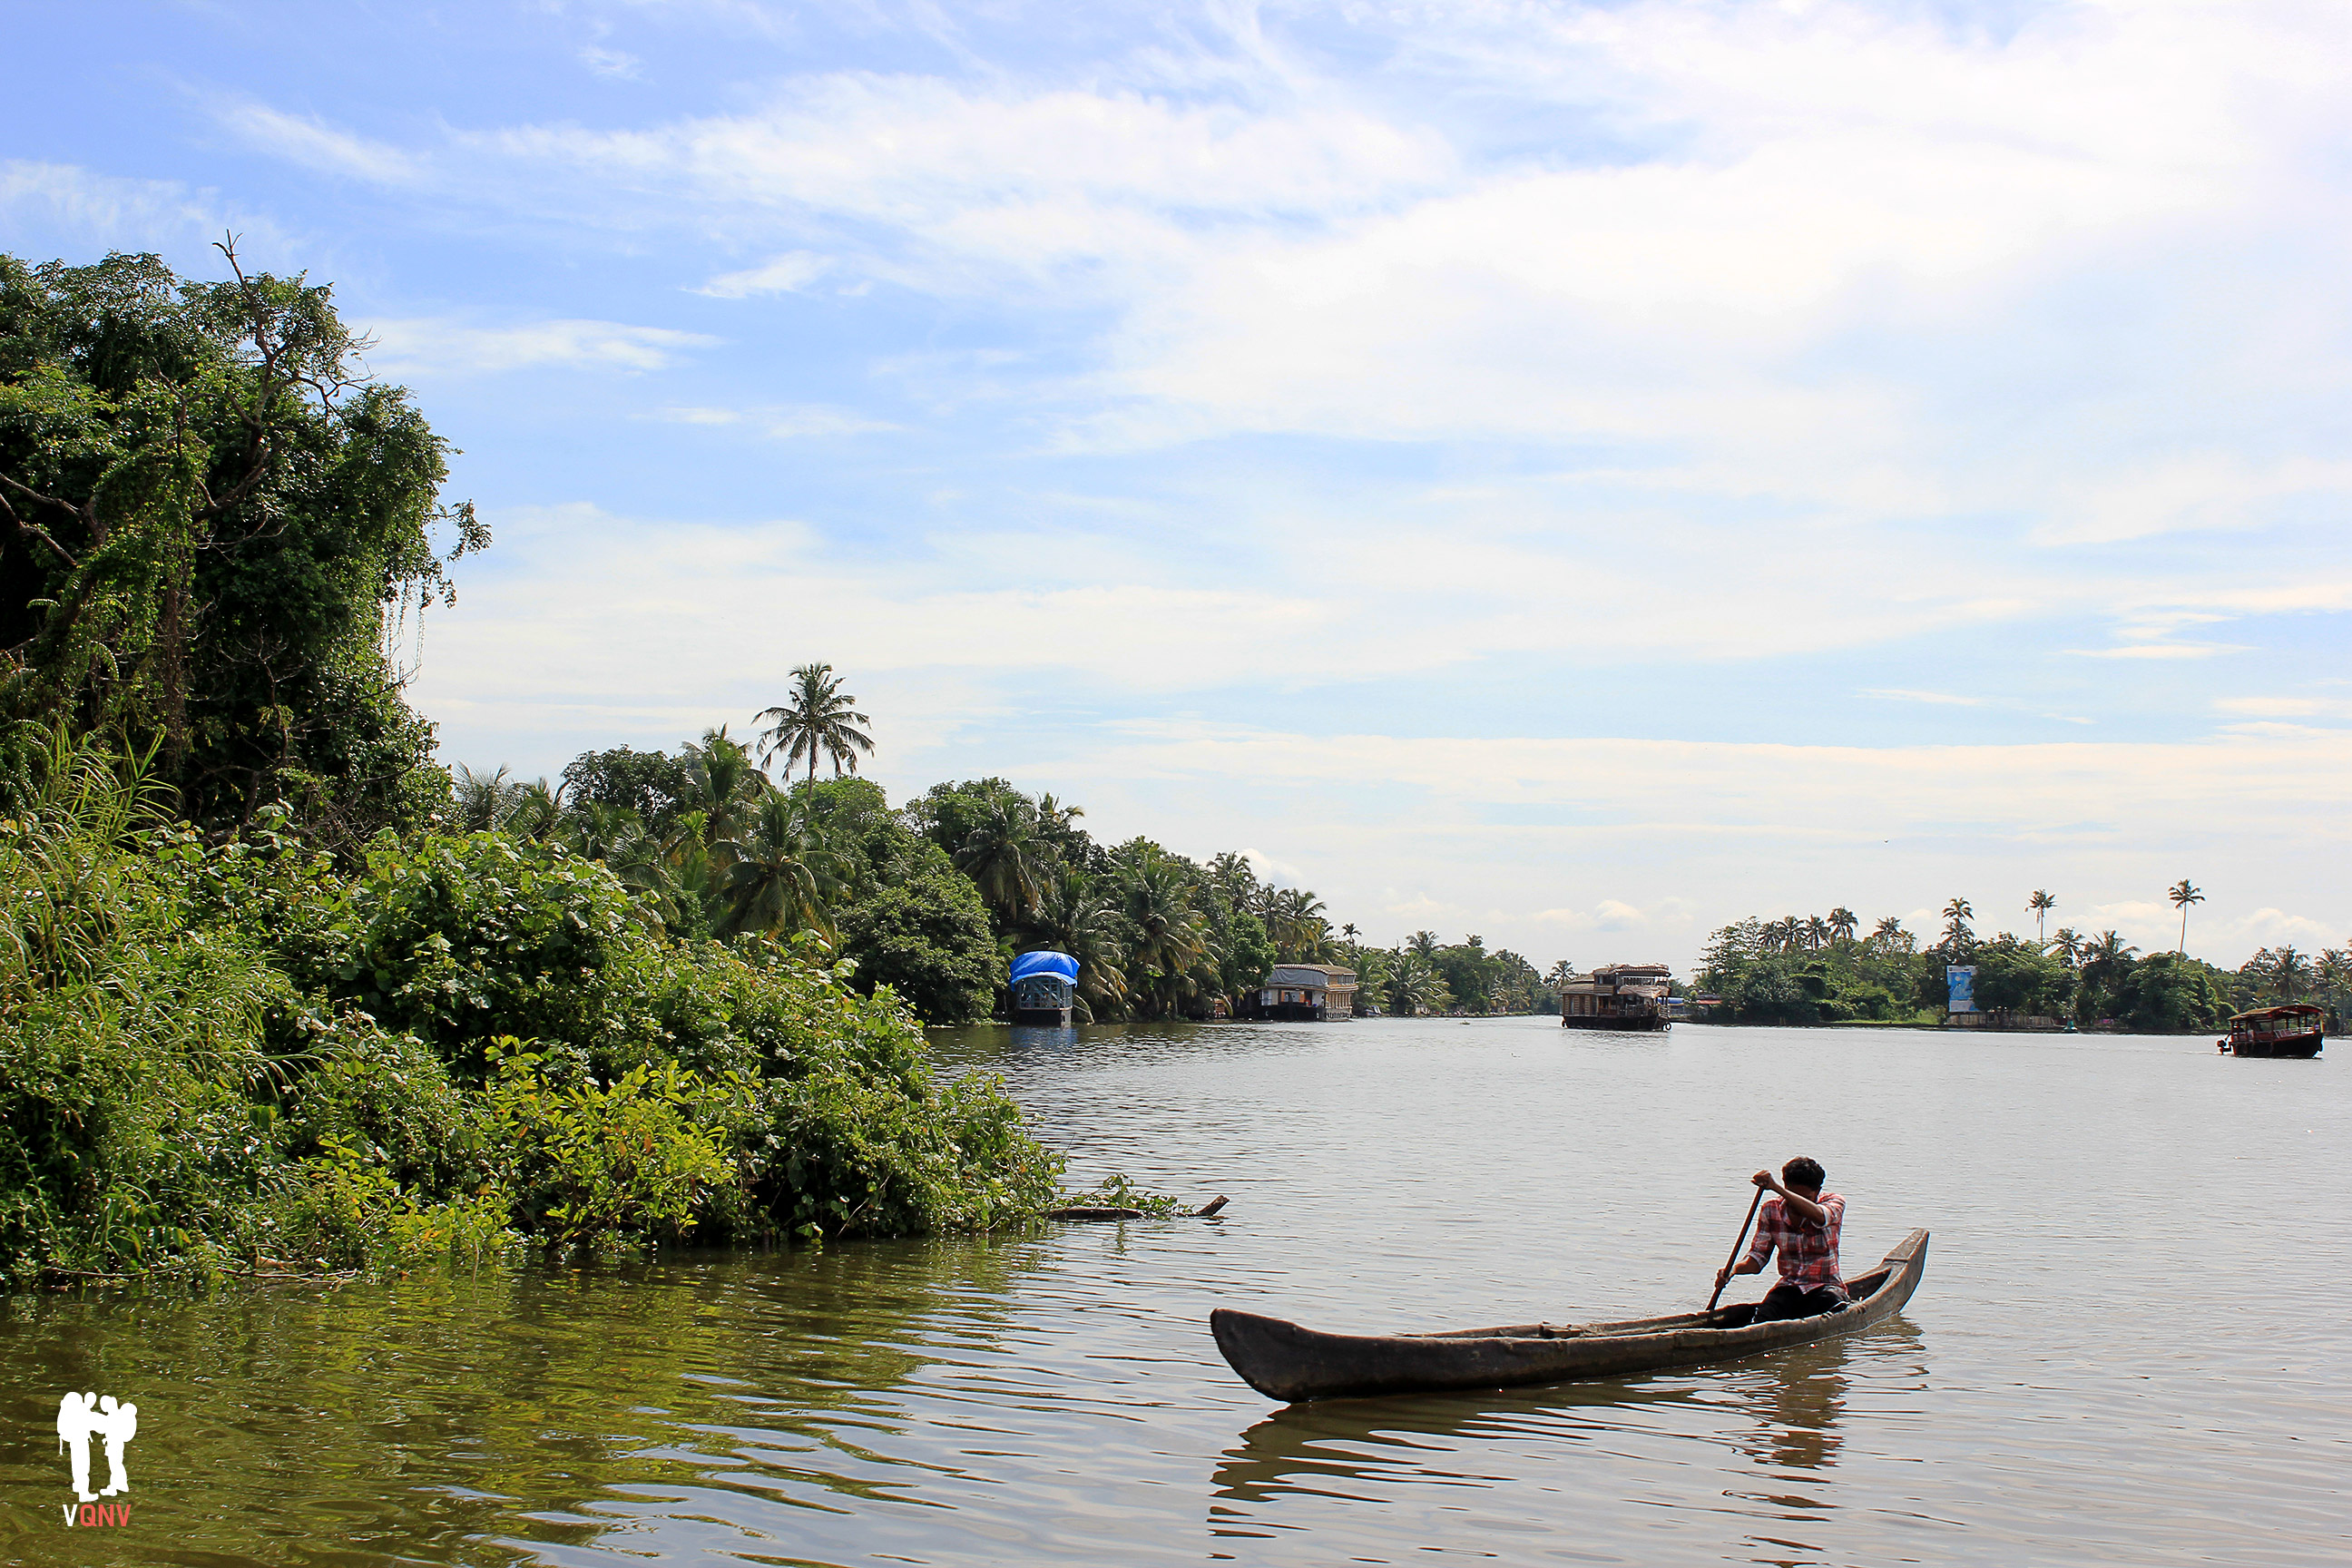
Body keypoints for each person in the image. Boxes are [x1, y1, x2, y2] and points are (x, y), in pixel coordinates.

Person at [1714, 1157, 1847, 1321]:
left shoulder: (1833, 1202)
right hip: (1790, 1287)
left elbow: (1821, 1217)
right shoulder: (1771, 1209)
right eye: (1791, 1194)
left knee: (1831, 1306)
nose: (1794, 1203)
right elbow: (1758, 1258)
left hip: (1825, 1288)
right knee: (1763, 1318)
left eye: (1805, 1198)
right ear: (1787, 1187)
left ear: (1818, 1191)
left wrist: (1776, 1188)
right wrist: (1732, 1270)